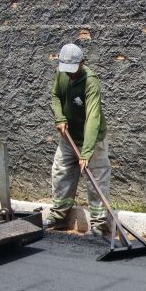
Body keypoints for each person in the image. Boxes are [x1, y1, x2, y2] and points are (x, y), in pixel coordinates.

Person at [46, 43, 110, 237]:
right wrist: (60, 117)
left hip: (93, 140)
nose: (70, 75)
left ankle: (99, 223)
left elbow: (93, 117)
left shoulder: (91, 82)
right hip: (68, 137)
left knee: (96, 179)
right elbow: (56, 95)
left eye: (73, 70)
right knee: (61, 172)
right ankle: (59, 215)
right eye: (66, 70)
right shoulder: (62, 73)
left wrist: (87, 151)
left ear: (82, 63)